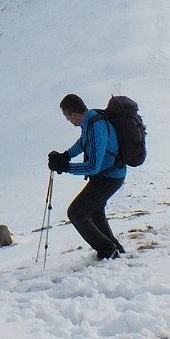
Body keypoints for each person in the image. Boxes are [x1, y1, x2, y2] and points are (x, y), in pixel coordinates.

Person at [48, 94, 127, 260]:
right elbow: (83, 143)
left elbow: (92, 167)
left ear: (73, 114)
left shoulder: (96, 127)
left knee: (76, 212)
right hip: (106, 175)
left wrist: (66, 167)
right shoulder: (89, 121)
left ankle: (107, 250)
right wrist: (66, 155)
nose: (68, 121)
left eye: (67, 117)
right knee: (94, 210)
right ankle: (115, 249)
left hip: (110, 177)